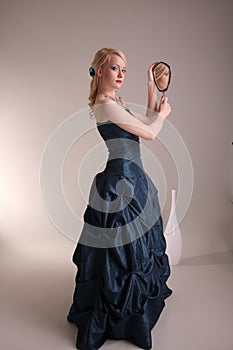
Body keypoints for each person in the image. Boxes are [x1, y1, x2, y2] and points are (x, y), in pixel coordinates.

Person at [67, 47, 172, 350]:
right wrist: (163, 116)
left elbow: (148, 119)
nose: (121, 74)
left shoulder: (116, 103)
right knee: (120, 253)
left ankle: (133, 308)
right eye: (115, 68)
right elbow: (151, 133)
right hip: (120, 182)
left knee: (135, 249)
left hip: (134, 178)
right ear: (99, 70)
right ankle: (119, 315)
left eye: (124, 70)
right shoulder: (104, 104)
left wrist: (152, 86)